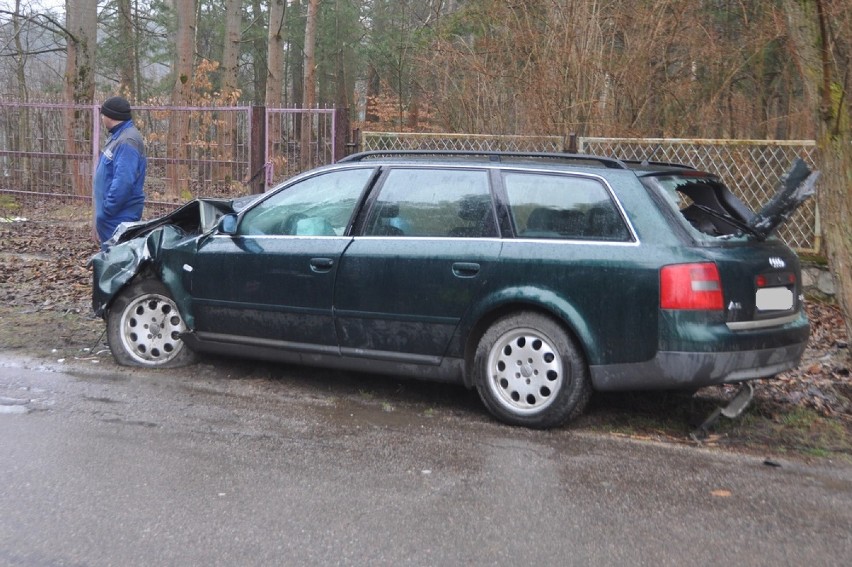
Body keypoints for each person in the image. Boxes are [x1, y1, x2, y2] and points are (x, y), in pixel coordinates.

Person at [92, 96, 147, 248]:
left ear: (111, 117)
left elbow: (124, 180)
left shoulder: (127, 141)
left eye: (103, 115)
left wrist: (107, 210)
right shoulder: (118, 137)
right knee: (110, 261)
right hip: (112, 215)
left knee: (117, 262)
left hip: (119, 215)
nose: (102, 118)